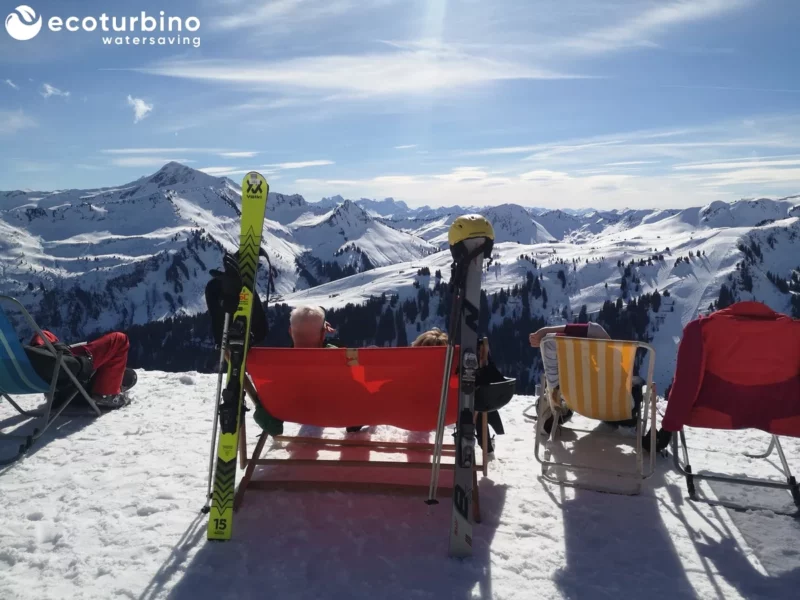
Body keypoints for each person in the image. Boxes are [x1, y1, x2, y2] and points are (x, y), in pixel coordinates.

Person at [412, 328, 504, 459]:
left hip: (415, 412)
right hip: (451, 413)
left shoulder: (412, 376)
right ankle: (487, 449)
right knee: (474, 400)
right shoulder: (453, 377)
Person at [530, 322, 611, 434]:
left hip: (577, 402)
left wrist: (545, 332)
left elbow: (550, 342)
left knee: (548, 342)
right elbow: (596, 330)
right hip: (614, 407)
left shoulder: (575, 388)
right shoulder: (613, 357)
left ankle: (553, 405)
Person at [27, 330, 136, 409]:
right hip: (69, 370)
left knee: (44, 334)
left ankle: (48, 357)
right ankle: (106, 394)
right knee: (120, 339)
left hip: (42, 377)